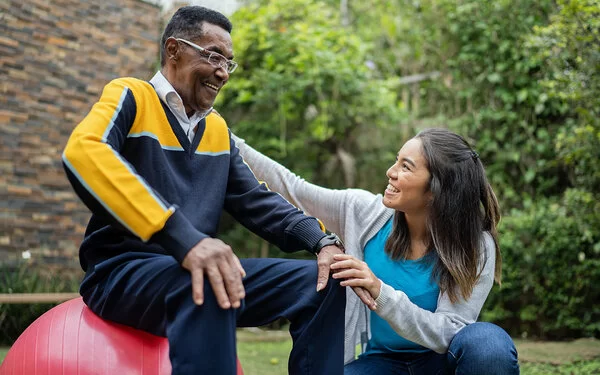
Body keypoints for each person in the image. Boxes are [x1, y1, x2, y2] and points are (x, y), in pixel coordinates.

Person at [61, 6, 346, 375]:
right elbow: (84, 151)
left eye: (229, 62)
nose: (223, 72)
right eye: (213, 56)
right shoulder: (130, 95)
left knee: (321, 284)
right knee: (209, 277)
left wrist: (321, 242)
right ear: (174, 50)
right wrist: (185, 239)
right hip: (121, 273)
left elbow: (256, 200)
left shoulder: (216, 130)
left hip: (194, 272)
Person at [232, 128, 520, 374]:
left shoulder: (476, 245)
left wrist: (380, 292)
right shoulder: (364, 212)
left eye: (406, 167)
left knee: (487, 344)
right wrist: (227, 139)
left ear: (436, 190)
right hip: (379, 363)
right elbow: (292, 188)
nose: (390, 172)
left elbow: (449, 332)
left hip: (440, 363)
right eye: (397, 161)